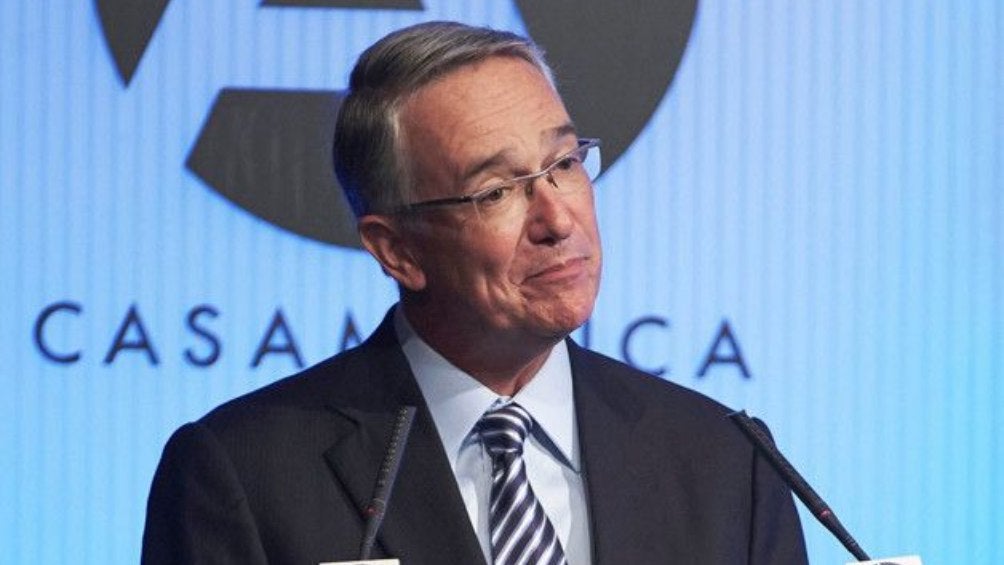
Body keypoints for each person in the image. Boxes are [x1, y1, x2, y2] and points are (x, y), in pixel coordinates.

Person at [142, 21, 808, 564]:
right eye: (495, 192)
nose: (558, 219)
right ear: (396, 249)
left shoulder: (726, 463)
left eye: (565, 163)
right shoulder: (243, 474)